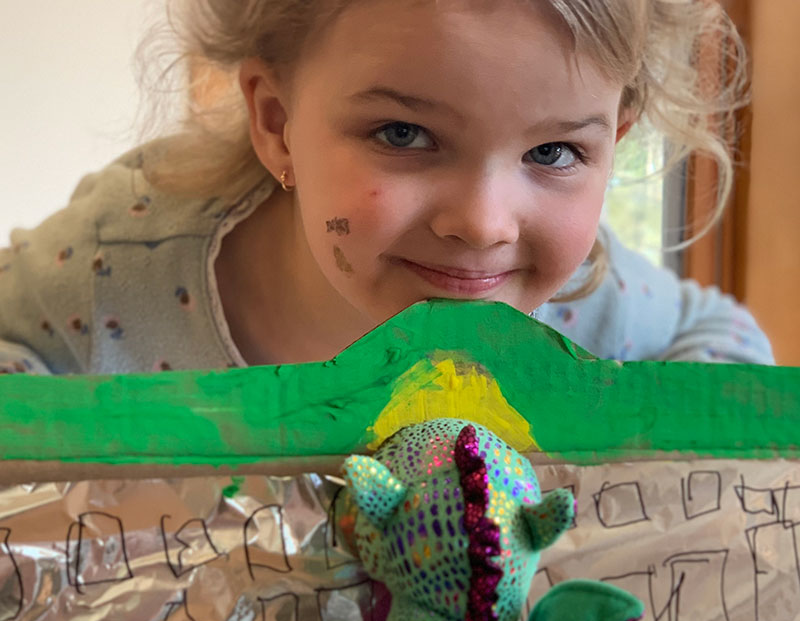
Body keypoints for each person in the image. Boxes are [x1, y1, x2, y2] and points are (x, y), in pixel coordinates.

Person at [0, 0, 774, 375]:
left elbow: (727, 343)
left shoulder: (581, 303)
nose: (483, 224)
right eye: (402, 135)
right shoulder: (117, 272)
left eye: (555, 150)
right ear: (276, 122)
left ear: (618, 139)